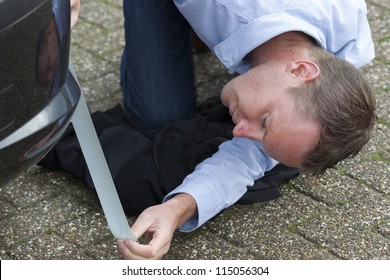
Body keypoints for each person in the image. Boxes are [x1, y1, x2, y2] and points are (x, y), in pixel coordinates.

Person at [69, 0, 376, 259]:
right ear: (300, 70)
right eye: (265, 121)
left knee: (173, 134)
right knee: (158, 120)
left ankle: (202, 32)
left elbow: (246, 158)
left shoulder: (345, 55)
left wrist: (177, 209)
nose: (239, 132)